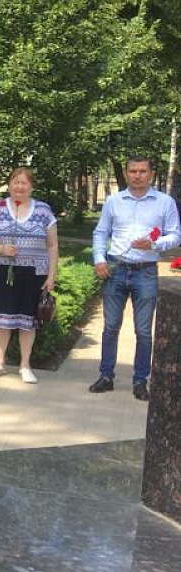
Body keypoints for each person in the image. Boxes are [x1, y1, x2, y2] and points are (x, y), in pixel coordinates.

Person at [90, 156, 180, 400]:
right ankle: (106, 376)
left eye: (142, 171)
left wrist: (155, 243)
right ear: (127, 174)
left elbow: (176, 235)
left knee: (143, 331)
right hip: (116, 269)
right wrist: (99, 259)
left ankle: (140, 381)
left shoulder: (164, 202)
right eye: (133, 171)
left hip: (146, 270)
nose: (137, 175)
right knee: (110, 327)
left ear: (151, 174)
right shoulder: (114, 201)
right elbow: (100, 233)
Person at [0, 167, 59, 385]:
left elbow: (52, 245)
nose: (19, 187)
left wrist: (51, 275)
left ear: (31, 186)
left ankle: (25, 365)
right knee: (2, 319)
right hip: (1, 271)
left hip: (34, 273)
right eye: (15, 182)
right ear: (9, 184)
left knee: (27, 321)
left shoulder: (43, 210)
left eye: (24, 183)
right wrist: (0, 249)